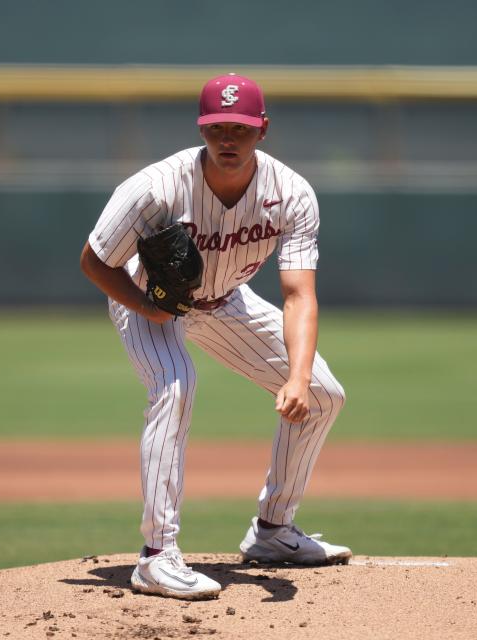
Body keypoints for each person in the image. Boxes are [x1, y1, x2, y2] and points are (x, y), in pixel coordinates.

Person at [79, 73, 350, 600]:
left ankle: (272, 532)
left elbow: (299, 296)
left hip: (227, 300)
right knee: (175, 384)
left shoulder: (290, 193)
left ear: (263, 130)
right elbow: (93, 260)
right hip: (146, 298)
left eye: (241, 129)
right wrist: (145, 306)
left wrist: (296, 377)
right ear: (202, 128)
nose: (229, 139)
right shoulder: (155, 188)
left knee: (322, 395)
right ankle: (157, 557)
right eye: (217, 127)